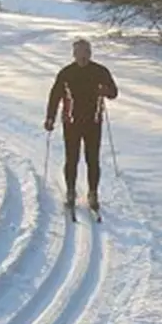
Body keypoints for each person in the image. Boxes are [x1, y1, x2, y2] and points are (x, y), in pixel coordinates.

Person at [44, 38, 118, 211]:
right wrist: (50, 118)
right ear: (74, 54)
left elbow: (114, 92)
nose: (83, 56)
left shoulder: (100, 71)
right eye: (79, 53)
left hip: (94, 122)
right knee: (72, 159)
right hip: (71, 123)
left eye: (86, 53)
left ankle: (93, 193)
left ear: (90, 54)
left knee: (92, 159)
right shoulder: (66, 73)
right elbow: (55, 97)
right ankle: (70, 191)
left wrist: (105, 91)